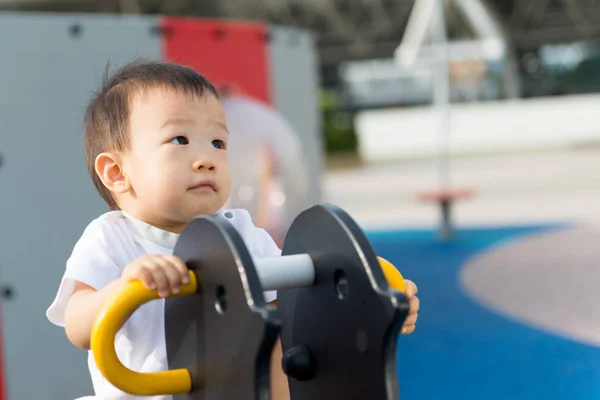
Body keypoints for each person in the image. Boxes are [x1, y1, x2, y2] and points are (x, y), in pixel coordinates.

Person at [45, 59, 420, 400]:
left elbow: (300, 301)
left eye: (218, 142)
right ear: (117, 172)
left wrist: (378, 300)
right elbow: (77, 326)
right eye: (180, 139)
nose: (207, 158)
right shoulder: (111, 239)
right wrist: (123, 288)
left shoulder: (240, 232)